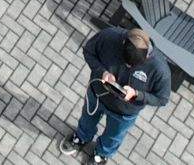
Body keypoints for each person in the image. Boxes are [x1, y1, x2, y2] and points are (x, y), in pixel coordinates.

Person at [72, 24, 174, 157]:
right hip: (96, 95)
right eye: (126, 63)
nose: (128, 66)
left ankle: (102, 153)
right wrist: (102, 72)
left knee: (113, 136)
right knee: (87, 119)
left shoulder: (160, 70)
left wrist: (137, 95)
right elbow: (88, 51)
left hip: (124, 113)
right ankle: (82, 136)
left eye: (132, 66)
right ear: (123, 43)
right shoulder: (108, 36)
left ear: (147, 56)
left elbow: (162, 99)